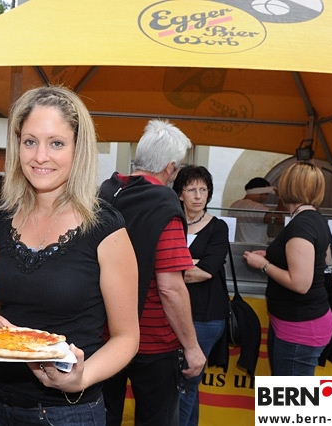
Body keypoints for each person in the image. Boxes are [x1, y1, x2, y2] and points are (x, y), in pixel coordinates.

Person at [0, 86, 140, 425]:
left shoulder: (105, 228)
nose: (40, 156)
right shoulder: (3, 220)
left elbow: (127, 337)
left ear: (77, 149)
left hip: (67, 412)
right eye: (30, 142)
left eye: (56, 143)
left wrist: (81, 378)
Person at [98, 119, 206, 426]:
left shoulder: (107, 192)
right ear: (170, 168)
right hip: (153, 341)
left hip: (104, 334)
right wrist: (192, 348)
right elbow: (170, 288)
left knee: (102, 417)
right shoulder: (164, 203)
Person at [243, 161, 332, 376]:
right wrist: (275, 256)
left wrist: (264, 265)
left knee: (289, 397)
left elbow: (300, 284)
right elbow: (323, 260)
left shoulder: (301, 225)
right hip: (297, 322)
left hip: (299, 327)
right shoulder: (314, 218)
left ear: (288, 186)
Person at [172, 165, 230, 426]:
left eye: (203, 190)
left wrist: (170, 270)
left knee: (187, 379)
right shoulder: (172, 224)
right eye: (191, 189)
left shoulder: (218, 228)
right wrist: (192, 263)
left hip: (206, 316)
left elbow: (207, 271)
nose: (198, 196)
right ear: (180, 194)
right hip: (175, 312)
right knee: (186, 382)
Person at [229, 177, 284, 244]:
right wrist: (281, 197)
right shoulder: (256, 207)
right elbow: (279, 219)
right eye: (266, 194)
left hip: (236, 247)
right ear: (261, 192)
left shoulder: (234, 205)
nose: (266, 198)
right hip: (254, 248)